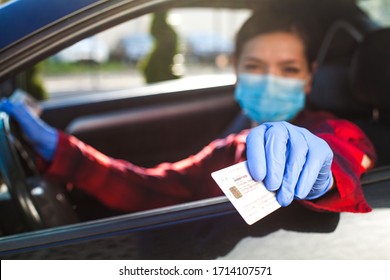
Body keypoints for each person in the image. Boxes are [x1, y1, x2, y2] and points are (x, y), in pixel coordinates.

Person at [0, 9, 376, 215]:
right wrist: (59, 149)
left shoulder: (330, 128)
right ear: (236, 71)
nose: (270, 80)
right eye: (256, 66)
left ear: (309, 79)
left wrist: (322, 177)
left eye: (289, 69)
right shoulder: (229, 148)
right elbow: (151, 188)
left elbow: (347, 151)